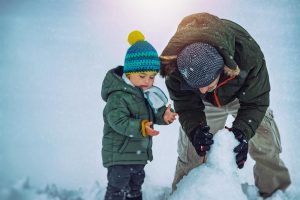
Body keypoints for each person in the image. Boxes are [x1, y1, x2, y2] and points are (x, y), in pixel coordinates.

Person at [159, 13, 291, 198]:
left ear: (223, 69)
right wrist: (196, 129)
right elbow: (186, 104)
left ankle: (274, 192)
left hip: (243, 98)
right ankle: (184, 195)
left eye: (207, 85)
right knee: (193, 151)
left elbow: (257, 100)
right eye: (197, 87)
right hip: (202, 106)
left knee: (266, 143)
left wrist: (243, 131)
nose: (203, 90)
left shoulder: (248, 54)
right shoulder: (174, 67)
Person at [101, 30, 177, 200]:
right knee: (117, 190)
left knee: (135, 189)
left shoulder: (146, 93)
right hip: (119, 155)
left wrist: (163, 116)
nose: (148, 82)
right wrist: (141, 127)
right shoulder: (118, 95)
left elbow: (152, 113)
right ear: (129, 73)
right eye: (142, 76)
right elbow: (117, 121)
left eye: (152, 77)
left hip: (138, 154)